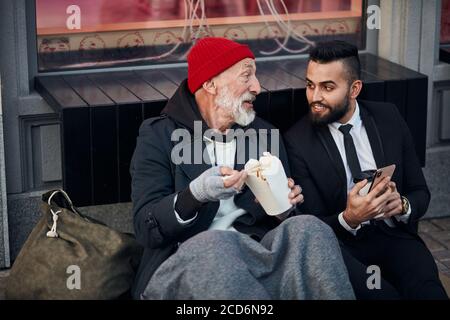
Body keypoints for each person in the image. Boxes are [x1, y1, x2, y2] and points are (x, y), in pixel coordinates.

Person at [130, 37, 355, 300]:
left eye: (256, 76)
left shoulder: (264, 134)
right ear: (210, 83)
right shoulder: (158, 136)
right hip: (187, 261)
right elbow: (146, 229)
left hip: (253, 256)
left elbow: (286, 225)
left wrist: (283, 208)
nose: (258, 87)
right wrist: (196, 194)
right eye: (246, 76)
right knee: (217, 245)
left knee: (310, 228)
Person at [284, 40, 448, 300]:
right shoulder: (297, 141)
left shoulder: (389, 118)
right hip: (344, 247)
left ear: (354, 89)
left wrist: (402, 205)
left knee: (429, 292)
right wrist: (350, 218)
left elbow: (420, 192)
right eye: (310, 85)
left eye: (327, 87)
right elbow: (310, 224)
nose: (315, 97)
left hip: (395, 236)